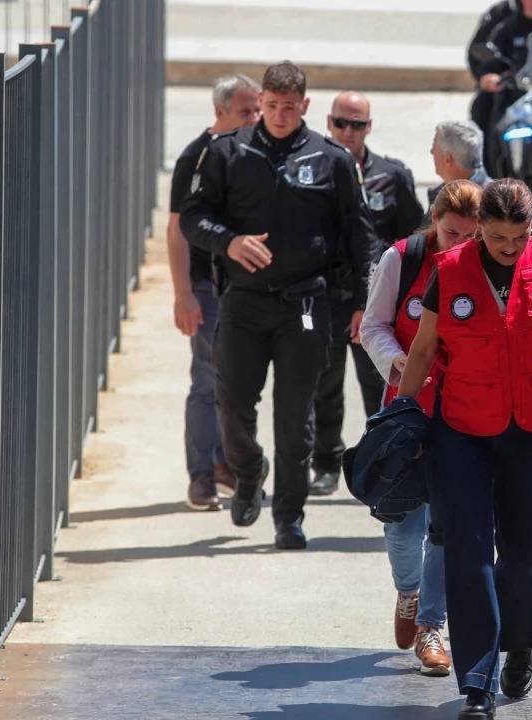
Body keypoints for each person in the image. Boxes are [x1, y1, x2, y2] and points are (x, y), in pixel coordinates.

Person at [394, 178, 532, 719]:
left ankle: (517, 643)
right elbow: (422, 349)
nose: (508, 249)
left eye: (518, 237)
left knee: (525, 548)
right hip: (462, 428)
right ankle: (477, 681)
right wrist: (398, 415)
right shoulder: (452, 268)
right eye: (495, 238)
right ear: (480, 228)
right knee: (467, 549)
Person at [180, 61, 376, 550]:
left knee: (295, 416)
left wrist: (361, 302)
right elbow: (193, 219)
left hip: (306, 304)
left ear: (305, 105)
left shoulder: (330, 158)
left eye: (290, 107)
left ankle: (289, 515)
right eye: (272, 106)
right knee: (232, 403)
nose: (280, 115)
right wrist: (229, 242)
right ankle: (248, 475)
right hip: (243, 301)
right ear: (261, 103)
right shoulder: (229, 152)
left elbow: (359, 236)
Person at [359, 181, 484, 678]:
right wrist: (399, 365)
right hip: (408, 411)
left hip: (465, 412)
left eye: (469, 237)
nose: (459, 244)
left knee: (447, 526)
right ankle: (408, 591)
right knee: (402, 524)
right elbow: (373, 327)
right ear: (434, 221)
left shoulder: (486, 263)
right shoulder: (403, 259)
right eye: (451, 232)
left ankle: (432, 626)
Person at [309, 91, 424, 497]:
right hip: (326, 294)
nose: (348, 131)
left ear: (369, 127)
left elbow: (415, 236)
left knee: (381, 382)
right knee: (325, 382)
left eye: (357, 124)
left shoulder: (391, 175)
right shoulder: (315, 168)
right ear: (328, 122)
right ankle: (325, 461)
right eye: (341, 123)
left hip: (376, 300)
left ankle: (384, 457)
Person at [166, 73, 260, 511]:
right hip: (207, 286)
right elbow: (177, 230)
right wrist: (183, 293)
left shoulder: (253, 151)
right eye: (245, 111)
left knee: (237, 383)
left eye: (256, 109)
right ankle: (201, 475)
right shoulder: (196, 159)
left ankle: (228, 465)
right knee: (208, 380)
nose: (255, 118)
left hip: (245, 286)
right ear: (219, 112)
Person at [467, 0, 532, 170]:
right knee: (484, 111)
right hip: (516, 94)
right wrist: (488, 76)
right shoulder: (504, 22)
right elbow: (485, 57)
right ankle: (489, 173)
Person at [428, 120, 492, 208]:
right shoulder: (438, 195)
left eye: (434, 146)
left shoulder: (492, 204)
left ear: (447, 160)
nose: (431, 152)